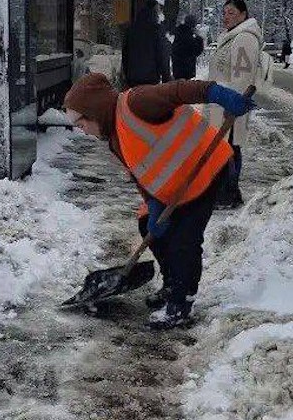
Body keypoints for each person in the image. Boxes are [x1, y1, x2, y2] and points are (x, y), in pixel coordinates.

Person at [63, 73, 254, 329]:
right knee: (147, 226)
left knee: (184, 240)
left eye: (81, 124)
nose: (82, 131)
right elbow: (143, 174)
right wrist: (153, 205)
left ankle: (181, 304)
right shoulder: (114, 136)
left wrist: (217, 94)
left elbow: (179, 90)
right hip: (175, 187)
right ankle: (171, 284)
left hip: (206, 169)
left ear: (94, 111)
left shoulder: (137, 103)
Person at [207, 0, 262, 209]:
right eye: (224, 12)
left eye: (231, 13)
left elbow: (243, 76)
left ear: (243, 14)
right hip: (223, 101)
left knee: (228, 148)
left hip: (230, 104)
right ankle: (228, 193)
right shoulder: (232, 36)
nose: (226, 17)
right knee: (226, 147)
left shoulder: (245, 38)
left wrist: (233, 105)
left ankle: (227, 195)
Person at [122, 0, 168, 87]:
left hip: (133, 77)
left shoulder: (131, 29)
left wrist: (127, 74)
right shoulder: (156, 30)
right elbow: (161, 55)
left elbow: (125, 54)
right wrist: (165, 77)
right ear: (154, 11)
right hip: (151, 77)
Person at [171, 15, 204, 80]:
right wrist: (199, 38)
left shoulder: (178, 33)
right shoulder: (189, 37)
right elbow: (197, 51)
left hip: (177, 69)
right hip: (186, 71)